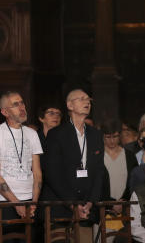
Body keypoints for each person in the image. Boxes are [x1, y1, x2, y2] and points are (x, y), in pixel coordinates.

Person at [41, 89, 103, 242]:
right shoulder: (56, 134)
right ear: (69, 105)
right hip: (61, 208)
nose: (87, 102)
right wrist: (72, 204)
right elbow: (52, 173)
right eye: (81, 99)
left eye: (88, 99)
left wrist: (90, 202)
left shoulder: (95, 134)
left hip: (86, 209)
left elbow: (99, 171)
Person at [0, 91, 43, 237]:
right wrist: (16, 203)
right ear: (5, 111)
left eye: (22, 103)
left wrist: (34, 202)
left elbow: (37, 172)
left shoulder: (32, 133)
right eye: (15, 104)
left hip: (30, 202)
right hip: (5, 202)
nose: (22, 107)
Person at [101, 123, 137, 205]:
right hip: (102, 206)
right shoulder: (97, 156)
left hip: (126, 205)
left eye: (115, 136)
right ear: (103, 137)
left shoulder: (130, 156)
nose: (112, 141)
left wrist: (124, 200)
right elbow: (95, 184)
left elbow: (134, 182)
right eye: (108, 137)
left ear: (120, 136)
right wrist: (112, 203)